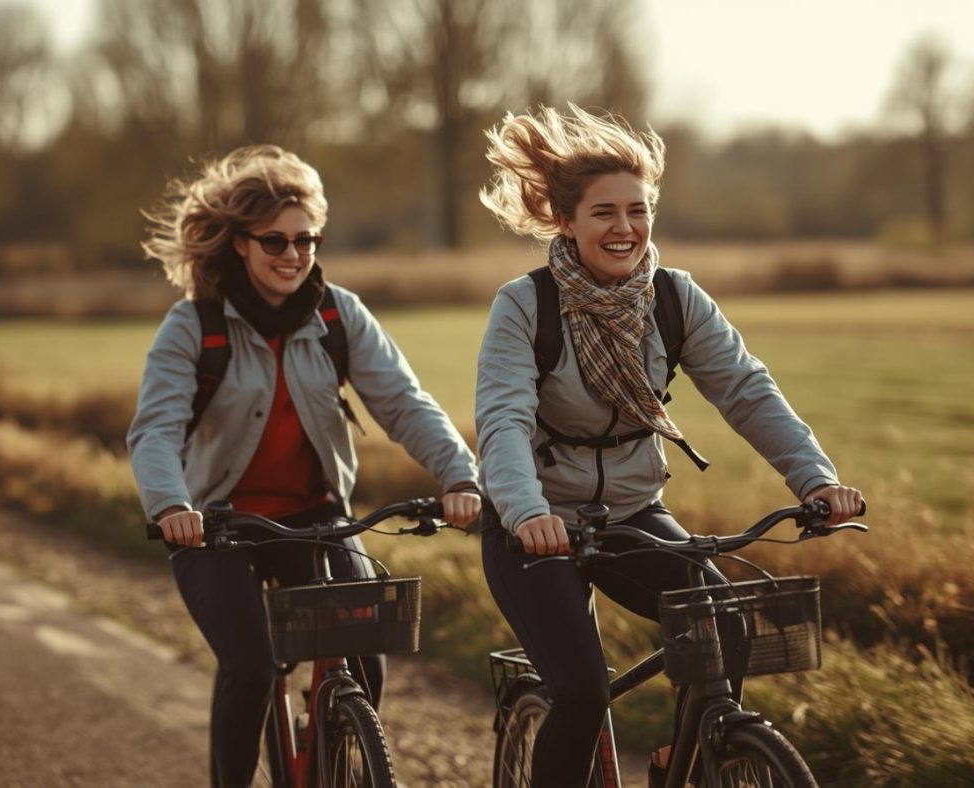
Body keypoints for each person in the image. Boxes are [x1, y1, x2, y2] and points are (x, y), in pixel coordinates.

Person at [474, 104, 863, 788]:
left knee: (725, 633)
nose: (625, 228)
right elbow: (503, 419)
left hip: (629, 513)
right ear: (566, 221)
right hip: (532, 526)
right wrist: (525, 511)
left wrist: (815, 479)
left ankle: (677, 763)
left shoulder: (674, 300)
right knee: (583, 690)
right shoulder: (526, 306)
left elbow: (746, 391)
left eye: (638, 209)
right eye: (604, 212)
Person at [126, 144, 480, 786]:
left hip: (315, 518)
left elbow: (404, 404)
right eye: (275, 242)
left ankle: (332, 759)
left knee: (366, 656)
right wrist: (171, 505)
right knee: (253, 667)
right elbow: (155, 429)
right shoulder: (194, 326)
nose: (293, 255)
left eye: (307, 240)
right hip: (215, 527)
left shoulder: (338, 315)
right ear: (240, 244)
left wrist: (460, 476)